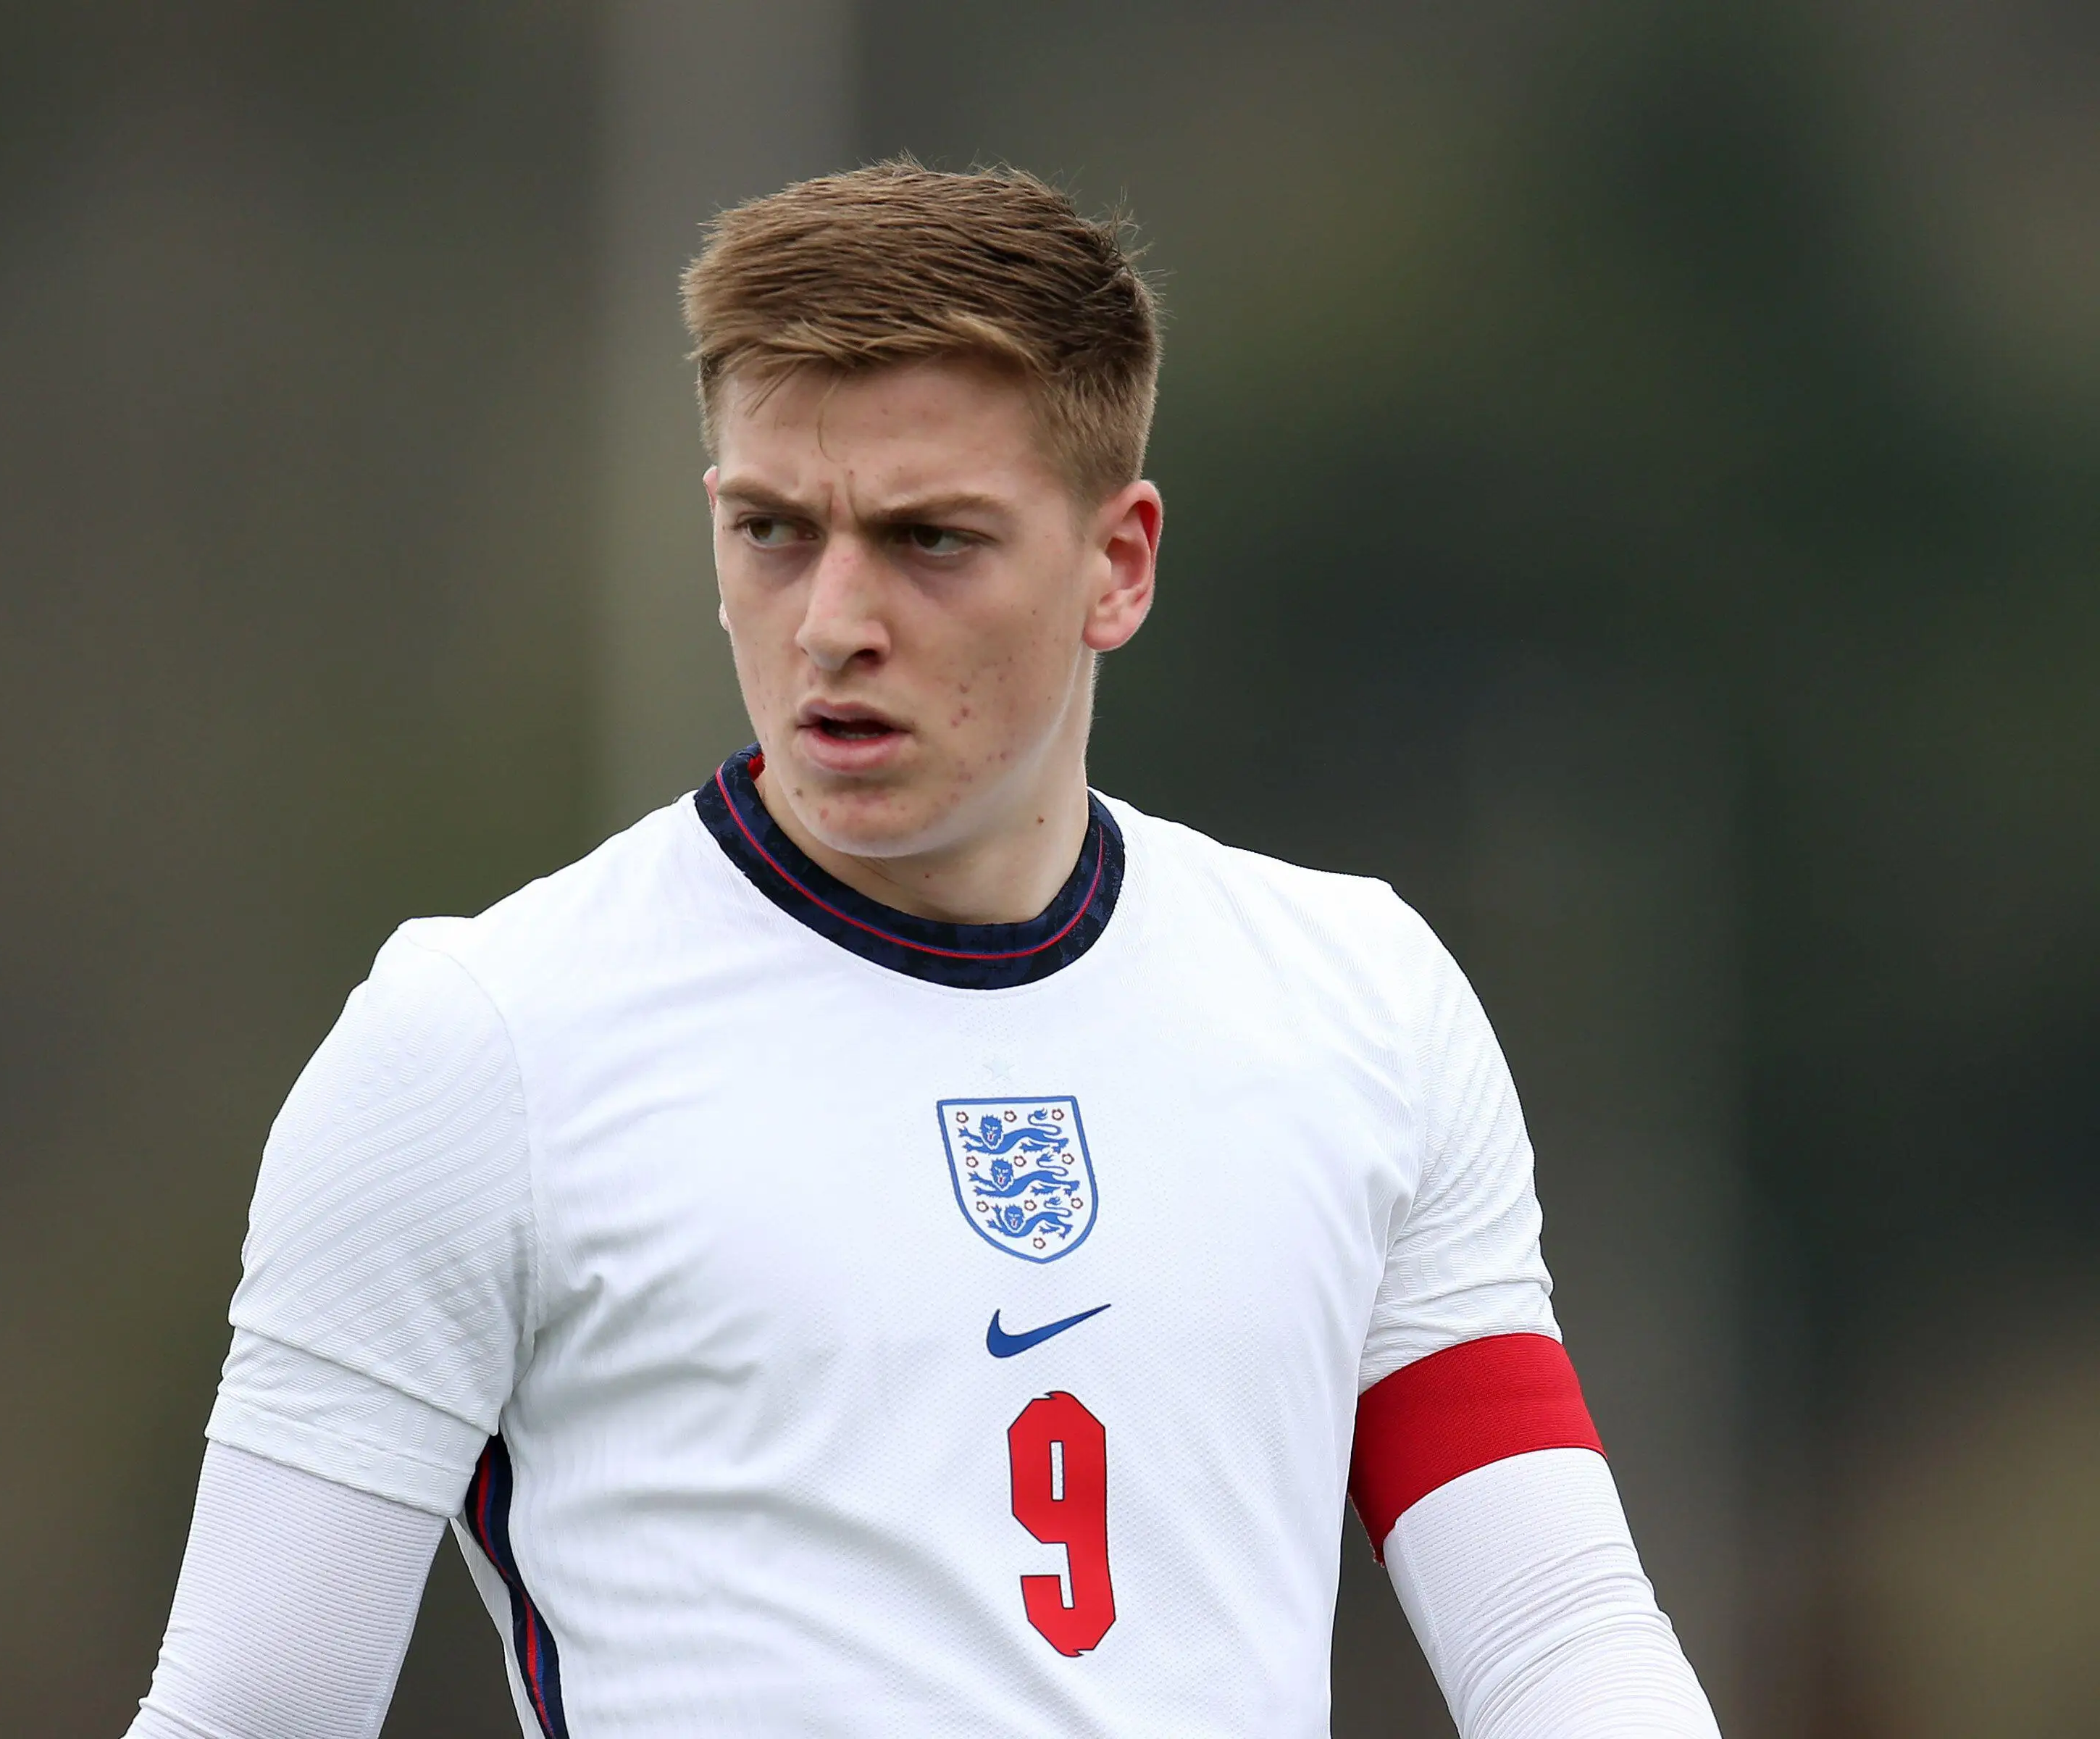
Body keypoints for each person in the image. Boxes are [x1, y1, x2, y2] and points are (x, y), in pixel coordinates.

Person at [123, 162, 1721, 1738]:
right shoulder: (478, 1043)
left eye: (928, 540)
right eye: (770, 531)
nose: (831, 620)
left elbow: (1555, 1637)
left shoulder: (1360, 1000)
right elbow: (252, 1710)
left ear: (1120, 563)